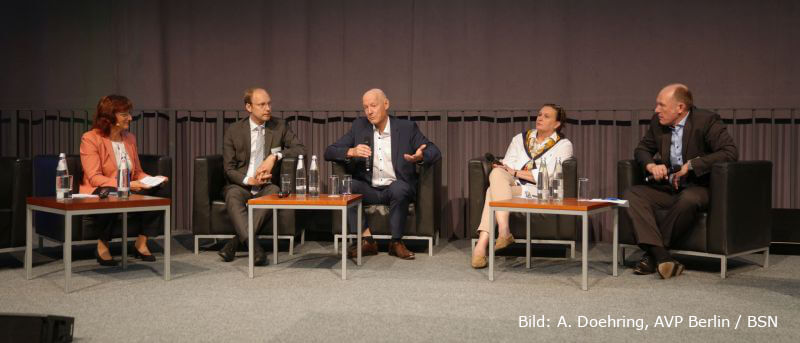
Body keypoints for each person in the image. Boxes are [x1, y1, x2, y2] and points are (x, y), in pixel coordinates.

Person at [623, 84, 738, 279]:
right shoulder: (658, 123)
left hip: (700, 187)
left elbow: (729, 152)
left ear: (680, 108)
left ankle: (653, 255)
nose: (656, 110)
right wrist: (651, 165)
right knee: (632, 194)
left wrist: (692, 165)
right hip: (670, 187)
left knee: (688, 199)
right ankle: (662, 256)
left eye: (661, 105)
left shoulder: (706, 121)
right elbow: (642, 149)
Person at [324, 89, 441, 260]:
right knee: (347, 187)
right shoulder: (359, 126)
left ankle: (396, 242)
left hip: (395, 186)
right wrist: (351, 151)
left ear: (386, 104)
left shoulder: (406, 128)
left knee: (400, 188)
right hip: (369, 187)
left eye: (373, 105)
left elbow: (434, 150)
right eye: (365, 107)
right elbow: (329, 151)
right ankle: (367, 240)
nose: (369, 111)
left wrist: (421, 157)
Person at [470, 104, 573, 268]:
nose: (540, 118)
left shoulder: (564, 145)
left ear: (557, 124)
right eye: (539, 114)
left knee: (492, 190)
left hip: (540, 191)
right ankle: (504, 231)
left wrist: (516, 172)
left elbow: (546, 176)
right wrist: (508, 170)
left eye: (547, 116)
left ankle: (481, 246)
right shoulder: (520, 139)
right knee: (496, 173)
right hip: (515, 184)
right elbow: (508, 166)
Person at [219, 87, 305, 265]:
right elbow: (229, 168)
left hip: (266, 186)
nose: (268, 108)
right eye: (262, 105)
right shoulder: (234, 130)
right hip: (241, 185)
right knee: (232, 194)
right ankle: (256, 249)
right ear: (249, 107)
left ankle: (235, 242)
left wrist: (274, 156)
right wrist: (248, 180)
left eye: (269, 103)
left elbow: (300, 149)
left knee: (274, 191)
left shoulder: (279, 126)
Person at [79, 95, 169, 266]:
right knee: (114, 194)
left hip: (128, 187)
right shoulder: (90, 138)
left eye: (129, 114)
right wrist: (126, 185)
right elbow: (95, 177)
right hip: (101, 189)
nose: (130, 118)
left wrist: (153, 179)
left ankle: (141, 242)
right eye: (124, 114)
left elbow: (138, 173)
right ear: (110, 116)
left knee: (163, 191)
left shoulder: (130, 138)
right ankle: (102, 245)